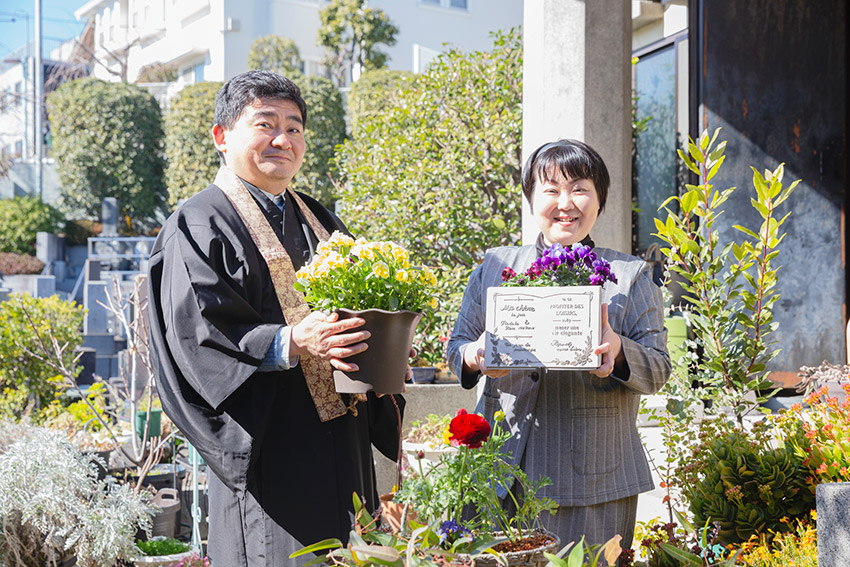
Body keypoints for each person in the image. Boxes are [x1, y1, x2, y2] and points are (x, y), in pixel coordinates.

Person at [146, 71, 403, 567]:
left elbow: (360, 301)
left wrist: (383, 342)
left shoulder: (318, 218)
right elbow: (199, 334)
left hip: (343, 440)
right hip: (274, 446)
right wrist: (290, 341)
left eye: (295, 127)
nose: (283, 139)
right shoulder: (199, 222)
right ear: (221, 137)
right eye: (265, 124)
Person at [446, 139, 671, 550]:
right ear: (531, 198)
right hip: (499, 469)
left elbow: (658, 369)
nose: (565, 202)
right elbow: (457, 345)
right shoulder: (495, 267)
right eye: (550, 189)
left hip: (592, 477)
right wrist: (474, 355)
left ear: (599, 200)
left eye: (580, 188)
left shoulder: (630, 274)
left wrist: (617, 350)